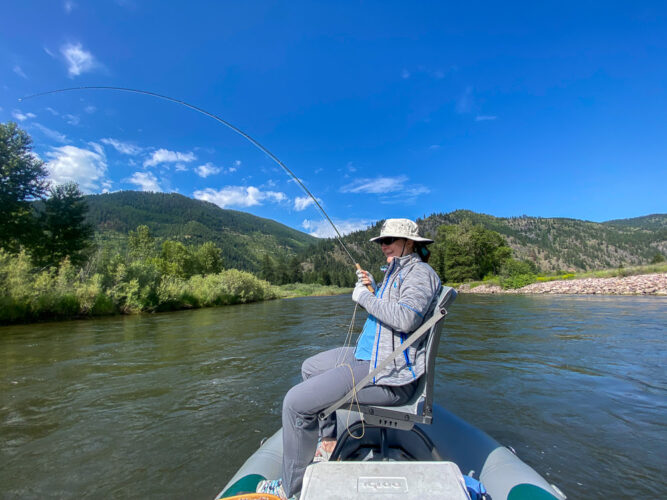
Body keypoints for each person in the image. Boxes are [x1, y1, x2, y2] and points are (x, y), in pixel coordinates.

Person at [256, 218, 441, 499]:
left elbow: (405, 318)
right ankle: (328, 440)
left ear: (410, 243)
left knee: (294, 403)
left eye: (389, 241)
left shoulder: (420, 274)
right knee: (309, 367)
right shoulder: (397, 272)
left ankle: (288, 489)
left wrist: (363, 299)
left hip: (386, 372)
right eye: (382, 242)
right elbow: (393, 307)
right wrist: (373, 289)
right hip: (369, 355)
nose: (384, 246)